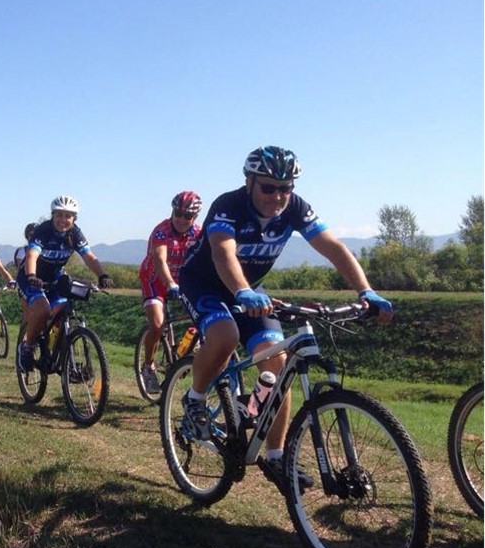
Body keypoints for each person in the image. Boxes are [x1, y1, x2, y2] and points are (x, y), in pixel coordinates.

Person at [178, 146, 394, 491]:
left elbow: (333, 247)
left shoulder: (295, 207)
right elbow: (223, 252)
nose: (278, 196)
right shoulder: (227, 206)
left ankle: (277, 457)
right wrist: (241, 291)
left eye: (286, 188)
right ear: (249, 182)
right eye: (268, 187)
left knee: (279, 365)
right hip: (205, 283)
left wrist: (365, 291)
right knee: (224, 336)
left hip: (251, 291)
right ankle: (195, 397)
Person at [15, 195, 113, 372]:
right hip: (31, 277)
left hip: (55, 276)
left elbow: (89, 256)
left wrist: (102, 274)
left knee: (64, 306)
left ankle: (61, 354)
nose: (63, 220)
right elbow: (32, 255)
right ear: (53, 215)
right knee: (43, 310)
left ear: (74, 218)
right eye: (59, 215)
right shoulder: (43, 230)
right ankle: (27, 347)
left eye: (68, 216)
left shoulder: (75, 233)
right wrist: (31, 275)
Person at [136, 191, 203, 394]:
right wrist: (170, 283)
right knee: (157, 325)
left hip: (182, 280)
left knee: (205, 316)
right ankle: (148, 367)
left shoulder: (198, 234)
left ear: (195, 217)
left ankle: (186, 351)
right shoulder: (161, 231)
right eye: (178, 213)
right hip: (155, 279)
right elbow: (160, 260)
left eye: (188, 216)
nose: (181, 219)